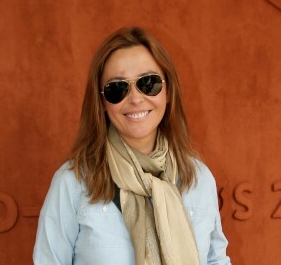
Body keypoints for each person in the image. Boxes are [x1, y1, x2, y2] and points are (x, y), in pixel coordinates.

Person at [33, 27, 231, 265]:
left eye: (148, 83)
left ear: (168, 92)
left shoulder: (198, 178)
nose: (136, 98)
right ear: (102, 101)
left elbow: (216, 261)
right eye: (118, 88)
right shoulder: (73, 182)